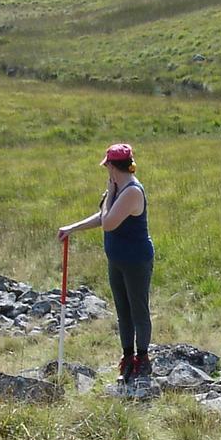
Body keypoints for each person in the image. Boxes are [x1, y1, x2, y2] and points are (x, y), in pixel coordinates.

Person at [58, 142, 154, 381]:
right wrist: (73, 227)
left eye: (107, 166)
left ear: (111, 166)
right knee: (123, 311)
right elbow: (104, 217)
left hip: (136, 261)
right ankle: (127, 356)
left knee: (138, 311)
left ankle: (141, 359)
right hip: (117, 260)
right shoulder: (119, 188)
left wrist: (110, 193)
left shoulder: (131, 190)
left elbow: (109, 222)